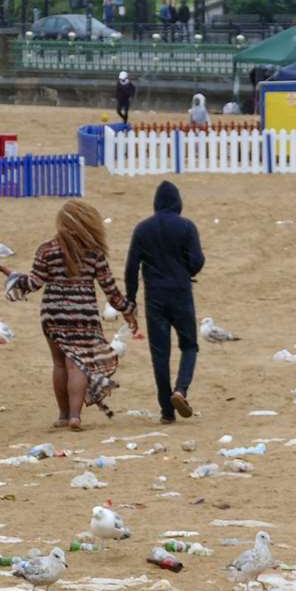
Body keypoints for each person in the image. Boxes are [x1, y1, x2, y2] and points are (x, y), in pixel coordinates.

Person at [2, 201, 136, 431]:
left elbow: (33, 283)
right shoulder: (94, 253)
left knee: (59, 364)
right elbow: (110, 289)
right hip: (83, 315)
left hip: (52, 314)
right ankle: (75, 416)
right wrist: (127, 310)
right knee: (77, 365)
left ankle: (63, 415)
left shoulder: (47, 249)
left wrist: (10, 275)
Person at [125, 181, 206, 424]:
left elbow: (131, 268)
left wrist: (131, 298)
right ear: (177, 202)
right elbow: (198, 260)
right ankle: (181, 389)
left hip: (155, 298)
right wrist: (186, 270)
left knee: (160, 354)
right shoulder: (186, 227)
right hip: (181, 293)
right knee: (189, 345)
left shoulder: (142, 229)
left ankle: (166, 411)